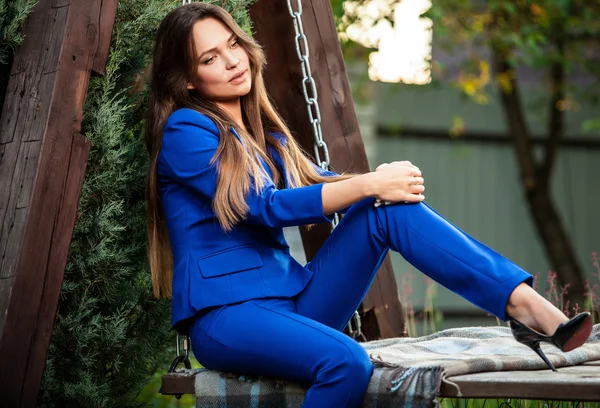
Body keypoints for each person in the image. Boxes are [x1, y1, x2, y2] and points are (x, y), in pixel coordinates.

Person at [143, 3, 592, 407]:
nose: (232, 60)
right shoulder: (187, 130)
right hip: (229, 317)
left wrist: (381, 185)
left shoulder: (265, 135)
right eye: (210, 58)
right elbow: (264, 207)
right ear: (187, 78)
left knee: (389, 210)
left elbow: (318, 187)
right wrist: (371, 183)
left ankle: (525, 306)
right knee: (347, 363)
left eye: (232, 44)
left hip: (294, 299)